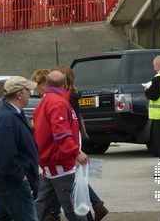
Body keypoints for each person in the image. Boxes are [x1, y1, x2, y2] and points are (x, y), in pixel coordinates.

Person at [33, 70, 89, 221]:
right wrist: (76, 152)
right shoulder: (58, 103)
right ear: (65, 84)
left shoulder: (45, 101)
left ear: (47, 84)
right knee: (74, 209)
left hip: (50, 163)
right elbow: (62, 133)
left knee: (41, 206)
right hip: (60, 164)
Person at [54, 65, 108, 221]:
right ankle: (96, 206)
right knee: (73, 178)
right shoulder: (73, 94)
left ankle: (95, 205)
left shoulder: (68, 96)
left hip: (71, 140)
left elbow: (71, 120)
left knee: (73, 178)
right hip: (74, 139)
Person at [0, 76, 40, 221]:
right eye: (28, 90)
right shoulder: (7, 118)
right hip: (12, 183)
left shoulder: (13, 113)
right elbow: (6, 156)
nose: (30, 93)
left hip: (7, 182)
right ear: (19, 94)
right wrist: (21, 177)